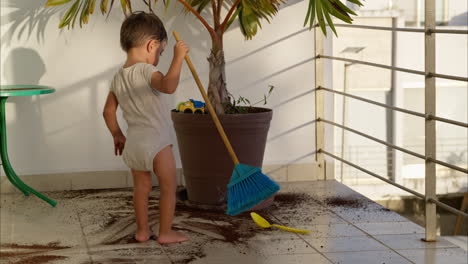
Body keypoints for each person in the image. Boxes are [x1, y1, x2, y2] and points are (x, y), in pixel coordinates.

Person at [103, 11, 189, 244]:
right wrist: (178, 58)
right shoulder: (147, 70)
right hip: (158, 143)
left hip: (134, 143)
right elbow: (168, 86)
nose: (160, 56)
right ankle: (165, 232)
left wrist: (117, 135)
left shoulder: (117, 77)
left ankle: (142, 231)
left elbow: (108, 111)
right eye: (161, 51)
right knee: (168, 188)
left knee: (141, 188)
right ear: (152, 45)